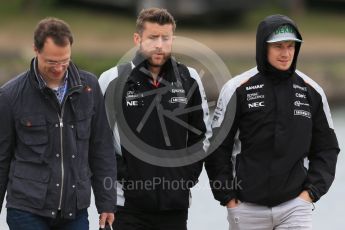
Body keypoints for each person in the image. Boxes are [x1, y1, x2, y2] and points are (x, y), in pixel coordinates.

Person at [205, 14, 340, 229]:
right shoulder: (236, 89)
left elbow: (327, 149)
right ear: (263, 47)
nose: (286, 53)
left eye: (291, 46)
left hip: (295, 206)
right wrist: (228, 198)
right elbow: (217, 149)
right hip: (246, 207)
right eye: (278, 46)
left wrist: (311, 193)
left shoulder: (312, 91)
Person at [99, 8, 210, 230]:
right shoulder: (112, 79)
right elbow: (98, 142)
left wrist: (185, 177)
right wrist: (126, 178)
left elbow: (203, 136)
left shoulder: (189, 78)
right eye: (152, 38)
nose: (159, 45)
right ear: (137, 39)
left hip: (174, 207)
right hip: (125, 205)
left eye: (165, 38)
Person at [0, 17, 117, 229]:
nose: (59, 68)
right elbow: (2, 158)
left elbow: (102, 149)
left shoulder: (89, 87)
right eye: (52, 62)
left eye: (65, 61)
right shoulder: (10, 96)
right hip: (26, 209)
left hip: (75, 210)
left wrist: (106, 203)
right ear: (36, 50)